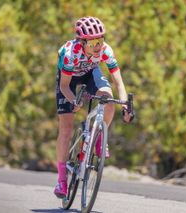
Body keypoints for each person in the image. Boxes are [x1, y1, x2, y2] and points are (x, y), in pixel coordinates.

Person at [54, 16, 133, 198]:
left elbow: (119, 83)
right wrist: (74, 100)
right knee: (65, 129)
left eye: (101, 40)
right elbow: (64, 87)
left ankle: (98, 137)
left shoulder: (106, 51)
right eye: (93, 42)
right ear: (82, 42)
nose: (98, 45)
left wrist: (125, 106)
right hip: (69, 80)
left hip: (90, 72)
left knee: (109, 98)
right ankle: (61, 180)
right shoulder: (69, 54)